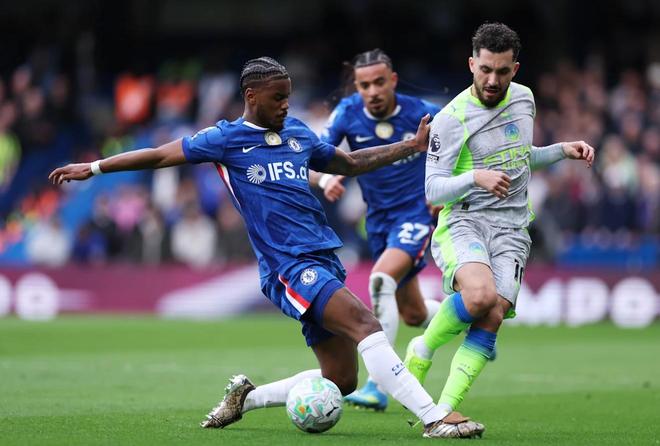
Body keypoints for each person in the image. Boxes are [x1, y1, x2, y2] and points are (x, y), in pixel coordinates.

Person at [49, 56, 484, 439]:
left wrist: (410, 146)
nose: (286, 105)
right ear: (251, 96)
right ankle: (434, 418)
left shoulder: (296, 132)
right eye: (278, 97)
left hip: (323, 258)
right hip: (287, 266)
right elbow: (161, 155)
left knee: (341, 380)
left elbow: (349, 163)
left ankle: (247, 398)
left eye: (288, 96)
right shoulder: (225, 139)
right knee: (366, 324)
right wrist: (95, 167)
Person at [403, 23, 595, 425]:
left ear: (515, 69)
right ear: (472, 64)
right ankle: (422, 349)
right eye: (486, 69)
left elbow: (521, 157)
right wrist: (475, 177)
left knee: (493, 314)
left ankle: (442, 410)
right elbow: (433, 189)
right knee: (478, 298)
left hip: (513, 228)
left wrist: (562, 150)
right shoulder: (450, 119)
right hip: (466, 220)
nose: (493, 80)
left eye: (503, 71)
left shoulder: (524, 100)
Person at [312, 49, 442, 411]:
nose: (372, 91)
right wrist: (325, 179)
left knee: (381, 279)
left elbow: (463, 147)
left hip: (416, 214)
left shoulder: (423, 113)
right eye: (364, 85)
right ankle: (471, 317)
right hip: (378, 221)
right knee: (413, 313)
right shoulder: (347, 113)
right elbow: (312, 155)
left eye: (379, 82)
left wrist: (446, 189)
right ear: (357, 86)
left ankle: (377, 385)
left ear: (393, 81)